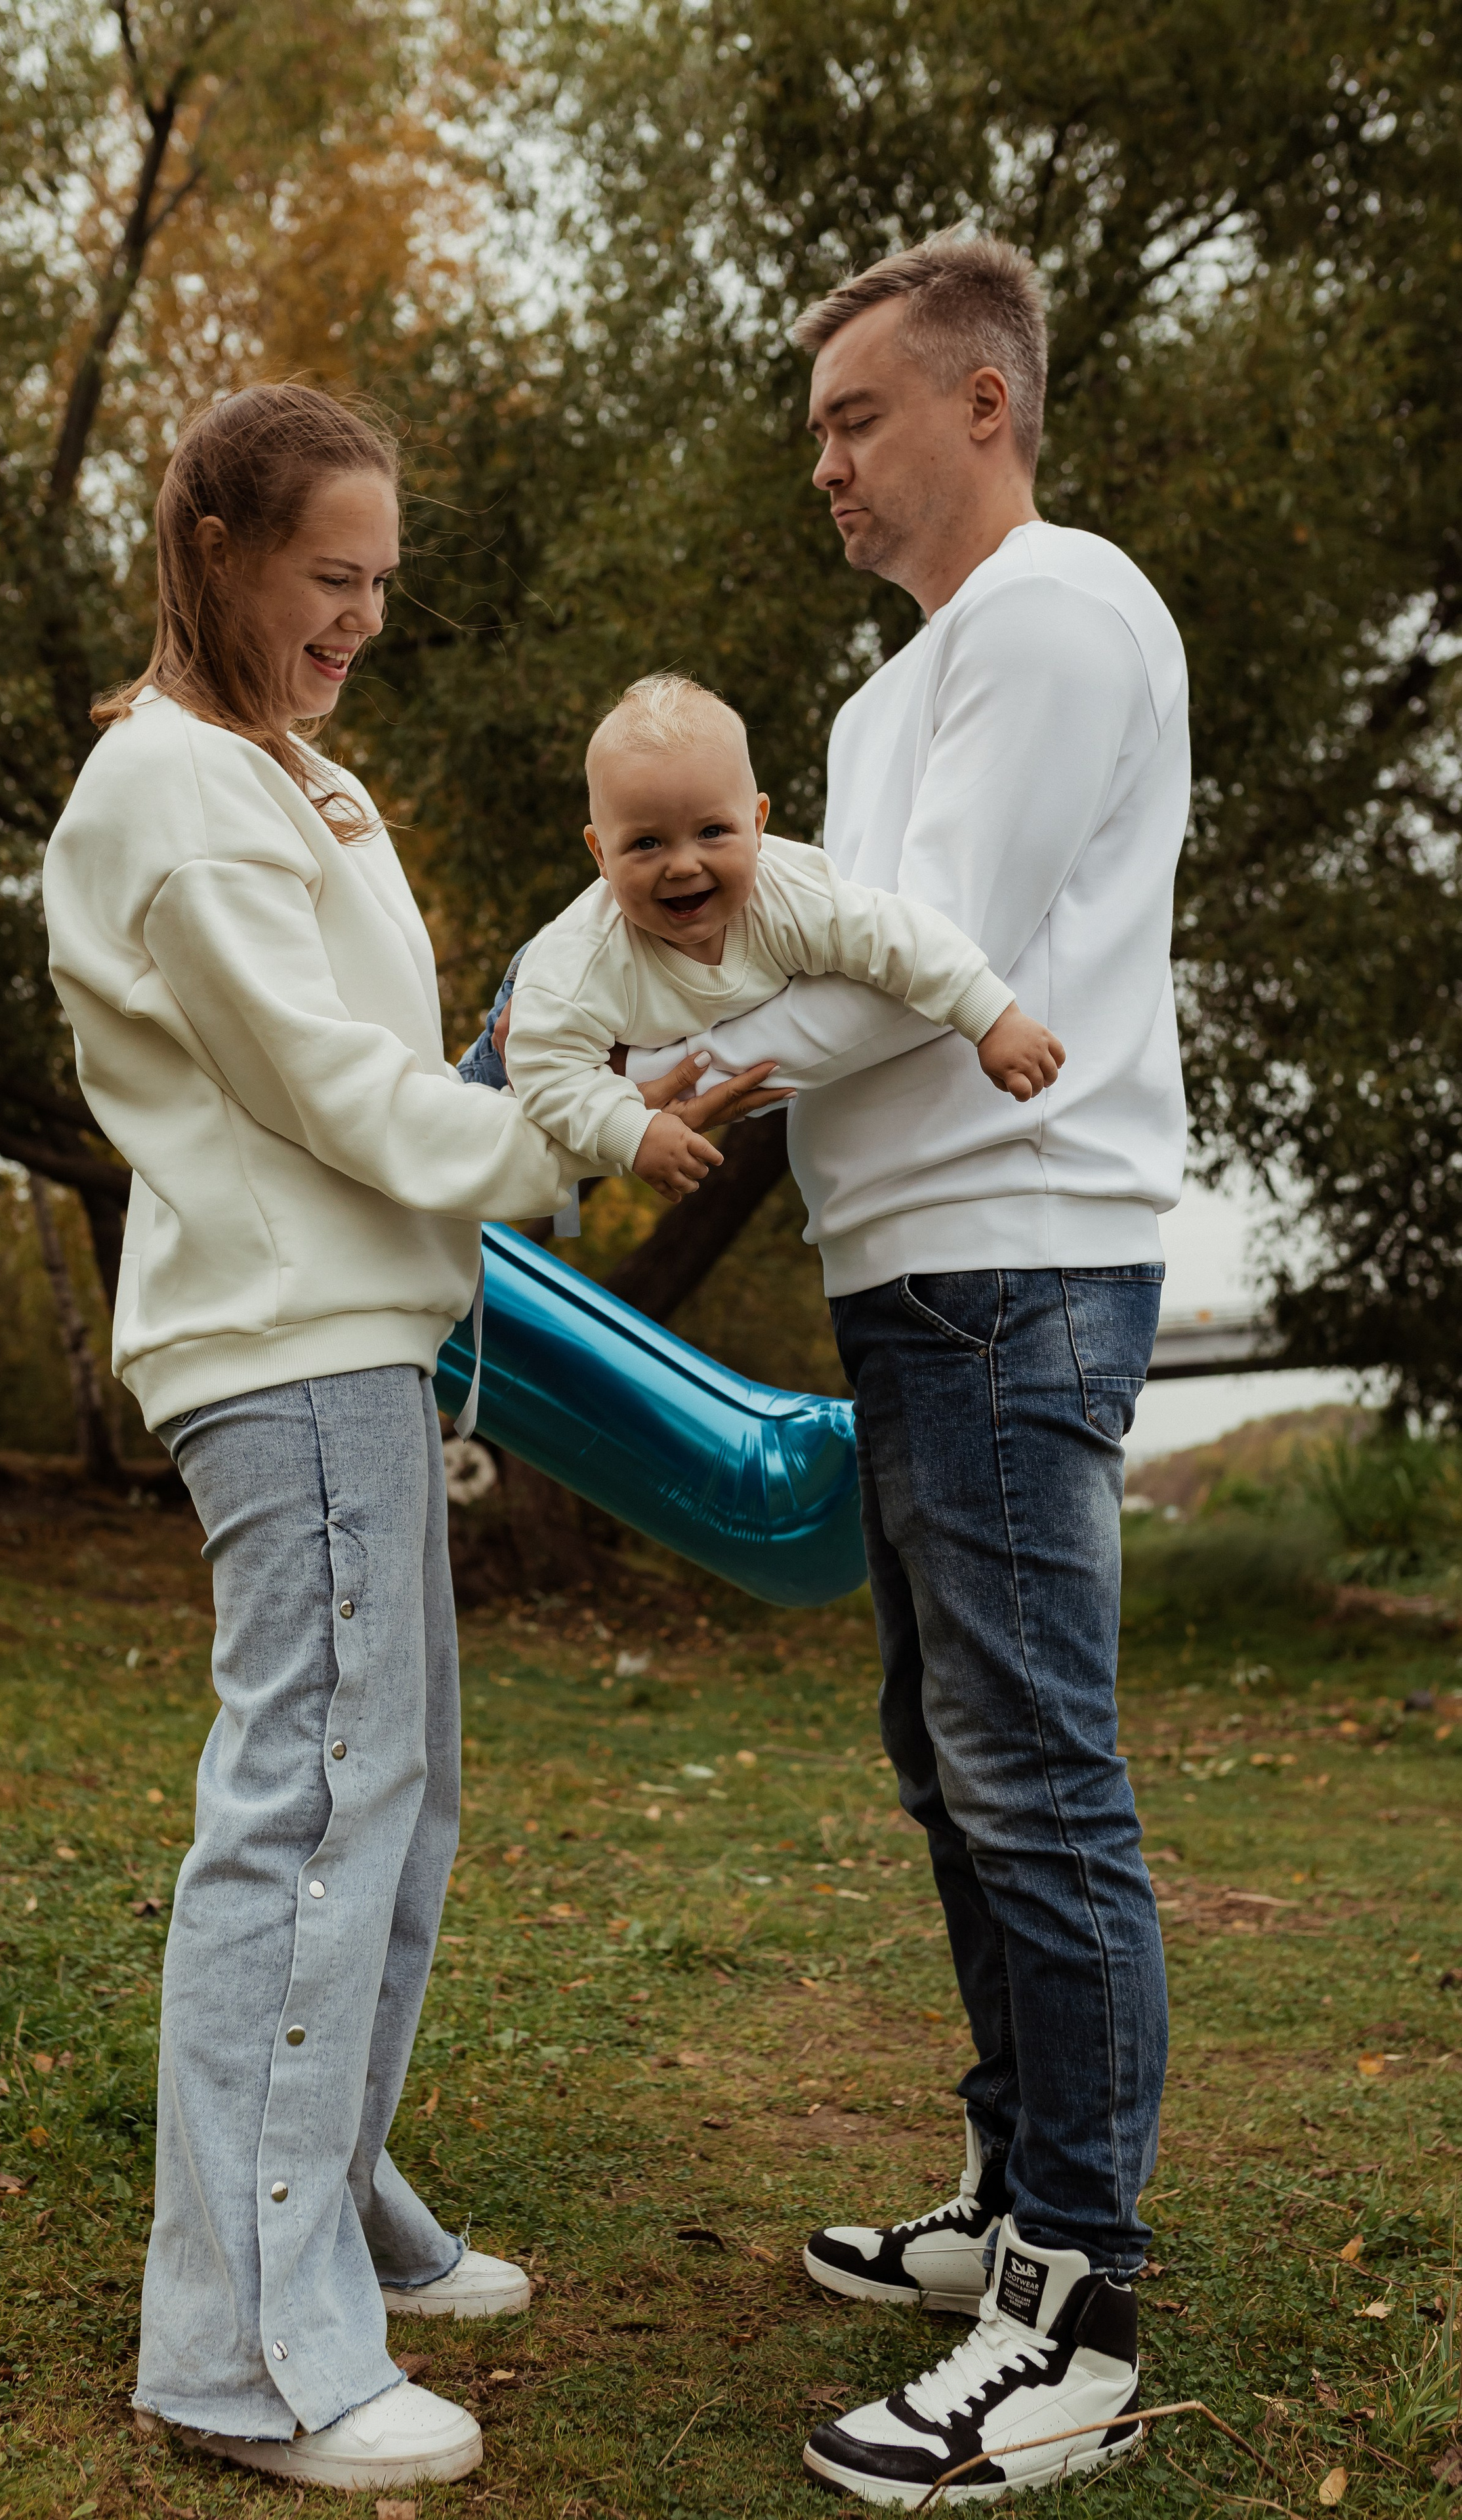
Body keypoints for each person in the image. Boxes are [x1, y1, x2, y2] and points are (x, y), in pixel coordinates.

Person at [41, 381, 769, 2495]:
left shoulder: (300, 778)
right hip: (281, 1339)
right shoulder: (171, 791)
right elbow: (329, 1105)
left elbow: (402, 1055)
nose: (361, 615)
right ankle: (244, 2349)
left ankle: (327, 2203)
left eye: (381, 584)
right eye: (328, 579)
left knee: (399, 1799)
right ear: (217, 552)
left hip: (365, 1332)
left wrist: (592, 1053)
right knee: (306, 1814)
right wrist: (601, 1146)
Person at [631, 234, 1189, 2504]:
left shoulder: (1058, 608)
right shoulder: (899, 693)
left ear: (983, 404)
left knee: (1036, 1776)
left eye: (858, 419)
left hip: (1016, 1265)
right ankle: (1004, 2203)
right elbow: (840, 956)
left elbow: (911, 970)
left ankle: (1078, 2300)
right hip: (917, 1276)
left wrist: (628, 1072)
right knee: (953, 1766)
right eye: (814, 435)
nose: (829, 468)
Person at [495, 669, 1063, 1207]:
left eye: (713, 832)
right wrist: (632, 1133)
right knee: (480, 1156)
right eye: (647, 843)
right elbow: (545, 1066)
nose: (684, 865)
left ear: (760, 823)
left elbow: (895, 938)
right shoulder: (583, 963)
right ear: (599, 854)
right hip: (527, 1017)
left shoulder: (790, 897)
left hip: (613, 1045)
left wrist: (991, 1017)